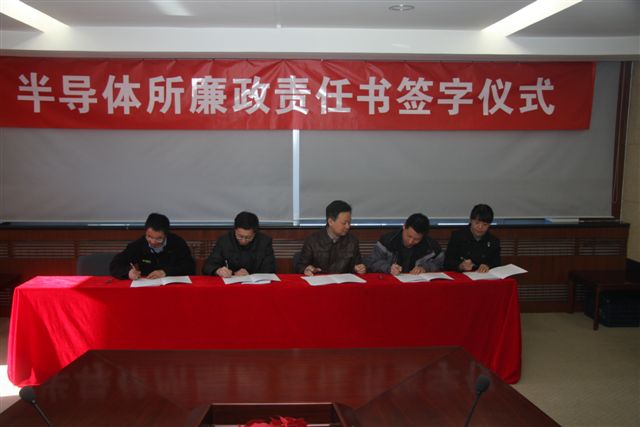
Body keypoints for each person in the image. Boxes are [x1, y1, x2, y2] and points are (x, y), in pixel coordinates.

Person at [110, 212, 195, 280]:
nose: (153, 242)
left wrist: (166, 272)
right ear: (145, 232)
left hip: (172, 287)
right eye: (149, 237)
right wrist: (128, 272)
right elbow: (115, 264)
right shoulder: (139, 245)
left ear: (166, 235)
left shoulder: (177, 243)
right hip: (147, 287)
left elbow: (190, 267)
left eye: (159, 239)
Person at [295, 200, 366, 276]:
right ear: (330, 222)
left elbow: (357, 265)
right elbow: (300, 266)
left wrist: (360, 268)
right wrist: (305, 269)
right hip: (319, 281)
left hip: (343, 282)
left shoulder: (352, 241)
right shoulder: (312, 241)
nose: (348, 226)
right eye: (344, 223)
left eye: (349, 222)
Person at [203, 211, 275, 277]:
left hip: (254, 284)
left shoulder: (264, 242)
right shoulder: (224, 240)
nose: (243, 241)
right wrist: (218, 271)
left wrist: (250, 275)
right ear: (235, 230)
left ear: (255, 233)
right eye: (240, 236)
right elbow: (208, 266)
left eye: (248, 237)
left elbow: (270, 269)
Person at [366, 213, 443, 275]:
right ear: (404, 227)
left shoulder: (431, 246)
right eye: (409, 236)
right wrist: (389, 268)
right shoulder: (387, 241)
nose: (411, 241)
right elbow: (372, 261)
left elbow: (440, 262)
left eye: (417, 239)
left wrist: (424, 268)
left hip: (418, 284)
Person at [444, 204, 501, 273]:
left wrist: (488, 266)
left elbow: (497, 264)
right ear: (471, 220)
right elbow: (447, 263)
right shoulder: (458, 236)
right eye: (477, 223)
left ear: (489, 225)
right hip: (462, 276)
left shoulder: (494, 241)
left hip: (483, 277)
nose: (480, 227)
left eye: (485, 224)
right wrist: (460, 266)